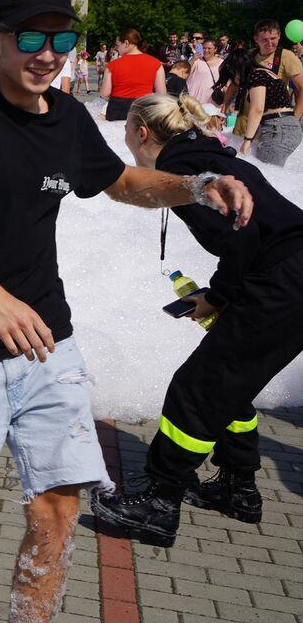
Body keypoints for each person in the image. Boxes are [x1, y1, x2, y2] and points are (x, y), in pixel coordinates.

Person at [0, 0, 252, 621]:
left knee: (59, 507)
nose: (48, 53)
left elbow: (120, 182)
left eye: (61, 37)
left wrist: (195, 184)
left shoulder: (67, 117)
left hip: (47, 340)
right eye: (31, 37)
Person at [91, 95, 302, 546]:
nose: (126, 140)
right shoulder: (203, 155)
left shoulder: (184, 170)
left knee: (198, 388)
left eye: (127, 131)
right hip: (286, 275)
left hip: (283, 278)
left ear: (142, 133)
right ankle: (237, 487)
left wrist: (221, 295)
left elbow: (241, 237)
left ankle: (159, 502)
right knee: (231, 384)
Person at [239, 19, 303, 166]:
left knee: (268, 173)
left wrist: (295, 118)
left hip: (277, 124)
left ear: (279, 36)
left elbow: (302, 89)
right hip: (256, 124)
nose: (269, 44)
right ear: (256, 39)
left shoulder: (286, 56)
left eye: (273, 39)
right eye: (264, 40)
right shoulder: (250, 56)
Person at [101, 28, 165, 121]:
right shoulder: (156, 63)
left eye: (118, 45)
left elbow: (104, 93)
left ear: (126, 43)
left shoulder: (113, 65)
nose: (117, 48)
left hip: (117, 109)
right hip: (143, 109)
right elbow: (161, 94)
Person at [186, 39, 223, 105]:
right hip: (195, 95)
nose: (206, 50)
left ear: (215, 49)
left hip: (212, 97)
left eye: (209, 48)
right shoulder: (197, 60)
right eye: (204, 48)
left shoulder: (221, 62)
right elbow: (186, 72)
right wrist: (192, 60)